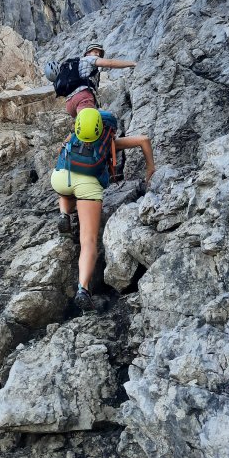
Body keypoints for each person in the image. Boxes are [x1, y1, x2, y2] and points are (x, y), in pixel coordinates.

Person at [50, 108, 155, 313]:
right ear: (107, 130)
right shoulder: (109, 143)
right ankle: (83, 289)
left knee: (68, 190)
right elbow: (144, 139)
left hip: (61, 179)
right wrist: (150, 167)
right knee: (88, 241)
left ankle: (64, 213)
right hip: (87, 187)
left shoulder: (74, 137)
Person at [44, 43, 137, 118]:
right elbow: (110, 63)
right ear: (87, 53)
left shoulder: (76, 65)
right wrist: (132, 64)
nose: (98, 55)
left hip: (69, 104)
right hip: (83, 98)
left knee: (93, 125)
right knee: (88, 129)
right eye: (95, 52)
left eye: (99, 54)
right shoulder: (89, 59)